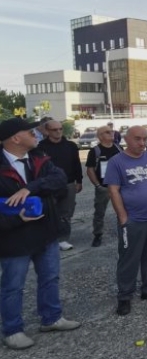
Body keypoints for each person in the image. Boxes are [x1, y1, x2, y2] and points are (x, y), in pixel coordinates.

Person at [0, 118, 81, 350]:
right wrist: (17, 218)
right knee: (13, 285)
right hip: (14, 238)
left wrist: (30, 188)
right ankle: (13, 330)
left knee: (50, 277)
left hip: (45, 232)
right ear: (16, 138)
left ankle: (52, 318)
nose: (37, 133)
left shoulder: (38, 158)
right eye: (30, 131)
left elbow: (59, 179)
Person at [104, 126, 147, 316]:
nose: (142, 143)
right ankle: (125, 295)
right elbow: (113, 190)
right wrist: (123, 217)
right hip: (133, 220)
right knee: (129, 258)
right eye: (137, 139)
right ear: (126, 139)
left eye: (144, 139)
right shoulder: (116, 162)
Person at [36, 120, 83, 251]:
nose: (58, 132)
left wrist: (79, 181)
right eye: (54, 129)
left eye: (60, 129)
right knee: (48, 211)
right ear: (47, 131)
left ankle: (63, 239)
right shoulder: (40, 147)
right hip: (48, 185)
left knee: (66, 213)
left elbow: (77, 164)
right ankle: (49, 239)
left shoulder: (71, 146)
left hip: (68, 184)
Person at [85, 125, 123, 247]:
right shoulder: (95, 151)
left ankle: (124, 231)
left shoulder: (119, 148)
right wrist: (97, 185)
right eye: (107, 132)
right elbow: (90, 169)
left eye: (112, 131)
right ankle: (98, 235)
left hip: (119, 187)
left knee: (123, 210)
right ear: (100, 136)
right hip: (103, 187)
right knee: (99, 212)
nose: (111, 133)